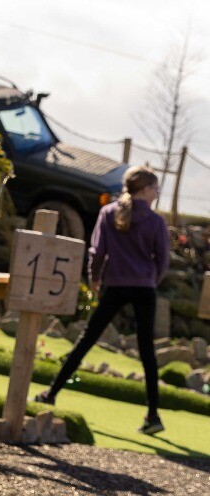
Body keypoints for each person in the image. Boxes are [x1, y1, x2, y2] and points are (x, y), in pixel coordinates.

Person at [35, 165, 170, 434]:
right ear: (145, 190)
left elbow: (97, 252)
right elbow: (163, 260)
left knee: (87, 339)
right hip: (144, 287)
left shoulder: (108, 213)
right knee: (147, 351)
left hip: (116, 285)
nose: (157, 192)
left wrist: (93, 279)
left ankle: (51, 393)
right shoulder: (155, 222)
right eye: (155, 187)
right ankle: (153, 415)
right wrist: (150, 281)